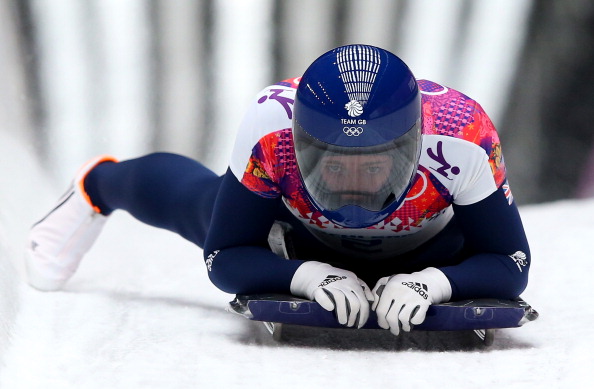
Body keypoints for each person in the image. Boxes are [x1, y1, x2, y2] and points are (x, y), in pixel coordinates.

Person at [26, 44, 530, 335]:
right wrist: (307, 275)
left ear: (414, 147)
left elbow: (511, 262)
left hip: (431, 244)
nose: (353, 190)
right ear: (300, 144)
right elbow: (222, 254)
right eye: (336, 168)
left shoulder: (463, 135)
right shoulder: (271, 124)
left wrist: (435, 282)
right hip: (298, 231)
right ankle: (97, 183)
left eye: (371, 168)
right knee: (198, 203)